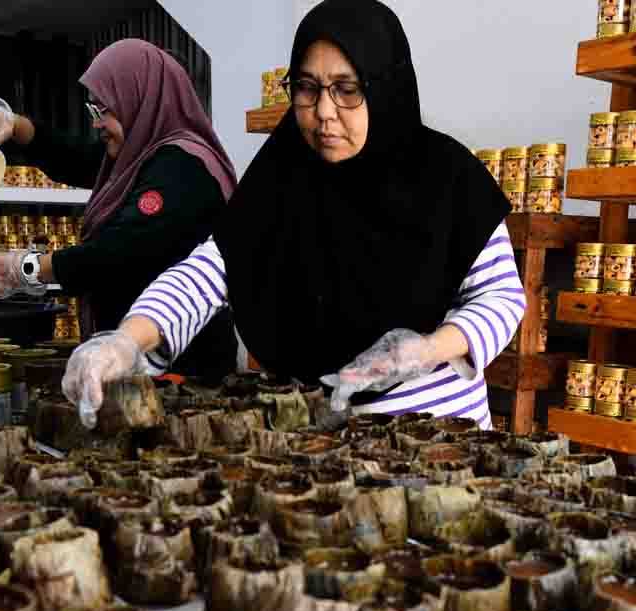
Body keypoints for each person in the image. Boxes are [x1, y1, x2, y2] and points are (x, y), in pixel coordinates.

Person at [62, 0, 524, 430]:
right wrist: (127, 339)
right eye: (306, 88)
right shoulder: (282, 176)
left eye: (347, 90)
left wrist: (428, 349)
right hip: (315, 437)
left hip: (435, 434)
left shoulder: (449, 178)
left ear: (386, 86)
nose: (324, 113)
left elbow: (502, 297)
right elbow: (206, 274)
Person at [0, 39, 240, 382]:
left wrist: (26, 268)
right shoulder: (138, 153)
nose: (96, 123)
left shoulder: (182, 166)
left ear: (141, 99)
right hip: (135, 363)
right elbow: (75, 157)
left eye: (104, 111)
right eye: (93, 111)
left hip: (182, 369)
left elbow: (119, 253)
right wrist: (14, 125)